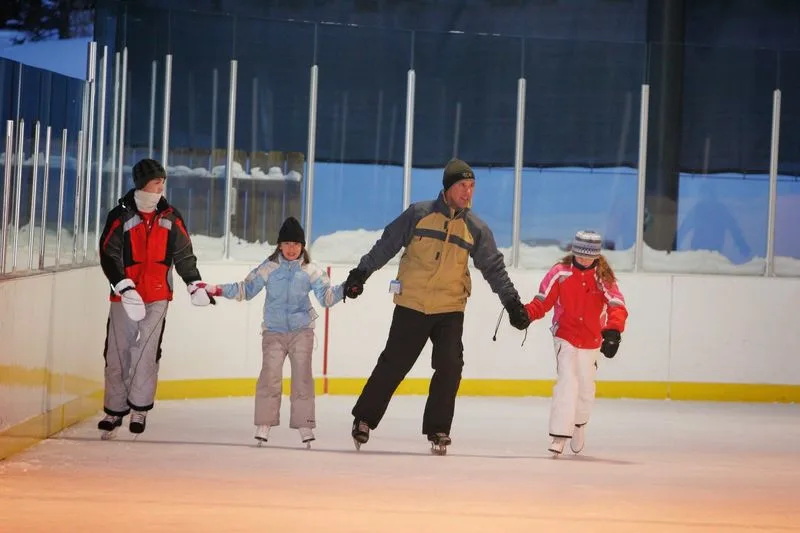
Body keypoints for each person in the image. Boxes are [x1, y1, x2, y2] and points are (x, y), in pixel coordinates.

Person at [342, 158, 530, 454]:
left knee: (450, 366)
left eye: (472, 186)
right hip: (413, 303)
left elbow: (494, 268)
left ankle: (438, 428)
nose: (468, 192)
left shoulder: (475, 228)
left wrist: (512, 302)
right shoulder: (418, 214)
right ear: (447, 187)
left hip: (450, 308)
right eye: (462, 186)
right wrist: (360, 274)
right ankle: (364, 419)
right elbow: (386, 245)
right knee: (394, 363)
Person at [97, 158, 214, 438]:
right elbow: (108, 253)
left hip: (158, 296)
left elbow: (184, 253)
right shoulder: (120, 216)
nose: (161, 184)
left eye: (163, 180)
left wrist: (193, 283)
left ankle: (139, 409)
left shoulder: (170, 216)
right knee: (117, 354)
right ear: (142, 183)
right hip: (125, 298)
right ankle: (114, 411)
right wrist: (123, 286)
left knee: (147, 354)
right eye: (155, 180)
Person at [205, 217, 344, 447]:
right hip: (274, 332)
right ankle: (265, 423)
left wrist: (347, 289)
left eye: (296, 244)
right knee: (269, 376)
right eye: (287, 244)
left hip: (302, 332)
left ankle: (305, 424)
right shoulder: (268, 268)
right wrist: (216, 289)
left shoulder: (311, 271)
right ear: (279, 245)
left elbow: (326, 298)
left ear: (303, 246)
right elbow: (245, 289)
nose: (292, 249)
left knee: (303, 378)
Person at [523, 230, 628, 456]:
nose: (583, 259)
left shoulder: (603, 278)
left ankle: (579, 424)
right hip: (566, 335)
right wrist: (526, 314)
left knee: (586, 386)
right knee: (567, 381)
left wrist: (613, 331)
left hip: (591, 338)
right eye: (579, 254)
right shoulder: (560, 273)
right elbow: (542, 300)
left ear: (597, 256)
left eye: (588, 256)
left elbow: (616, 303)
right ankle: (559, 435)